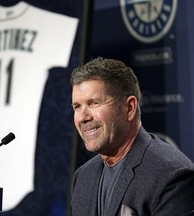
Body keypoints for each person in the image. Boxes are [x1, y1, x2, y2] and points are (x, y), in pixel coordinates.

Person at [70, 57, 194, 216]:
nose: (82, 117)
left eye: (94, 103)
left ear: (129, 108)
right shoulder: (83, 177)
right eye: (77, 107)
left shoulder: (171, 176)